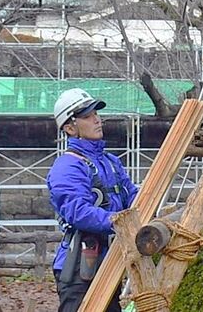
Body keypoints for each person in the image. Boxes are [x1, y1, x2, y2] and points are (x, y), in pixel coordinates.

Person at [46, 89, 138, 312]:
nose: (97, 119)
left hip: (110, 264)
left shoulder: (111, 162)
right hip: (79, 271)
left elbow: (132, 195)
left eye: (96, 113)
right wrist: (120, 221)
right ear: (70, 127)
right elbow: (78, 212)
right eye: (87, 116)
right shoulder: (67, 166)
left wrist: (149, 210)